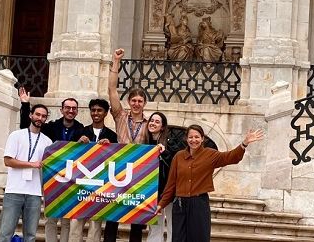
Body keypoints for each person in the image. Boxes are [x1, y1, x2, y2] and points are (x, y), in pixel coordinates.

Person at [156, 124, 265, 242]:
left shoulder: (210, 154)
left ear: (202, 138)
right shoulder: (178, 157)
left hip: (199, 204)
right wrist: (161, 204)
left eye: (197, 137)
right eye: (191, 137)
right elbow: (171, 184)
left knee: (199, 238)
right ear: (186, 139)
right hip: (180, 205)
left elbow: (230, 157)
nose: (194, 140)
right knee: (178, 239)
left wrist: (244, 144)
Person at [19, 88, 89, 242]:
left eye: (74, 109)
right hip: (51, 177)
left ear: (77, 111)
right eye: (67, 108)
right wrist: (25, 104)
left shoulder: (82, 129)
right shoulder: (50, 127)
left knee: (66, 218)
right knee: (51, 216)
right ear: (61, 110)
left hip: (71, 179)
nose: (70, 111)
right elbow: (27, 127)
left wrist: (85, 143)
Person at [105, 48, 149, 242]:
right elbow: (112, 90)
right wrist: (116, 62)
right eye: (133, 100)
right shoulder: (120, 116)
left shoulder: (150, 124)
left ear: (145, 103)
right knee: (113, 215)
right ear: (129, 102)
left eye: (140, 101)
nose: (136, 104)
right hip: (119, 169)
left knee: (137, 218)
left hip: (139, 172)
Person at [0, 104, 53, 242]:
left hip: (34, 193)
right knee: (5, 233)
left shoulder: (47, 141)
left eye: (43, 116)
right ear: (31, 115)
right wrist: (32, 164)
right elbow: (8, 161)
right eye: (38, 114)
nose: (40, 118)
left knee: (31, 235)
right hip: (14, 190)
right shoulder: (16, 135)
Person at [69, 98, 118, 242]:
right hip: (80, 186)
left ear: (106, 113)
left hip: (100, 188)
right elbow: (70, 156)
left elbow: (116, 161)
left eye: (99, 110)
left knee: (95, 227)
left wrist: (111, 147)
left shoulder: (112, 136)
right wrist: (77, 144)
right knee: (75, 224)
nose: (96, 113)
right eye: (93, 110)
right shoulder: (80, 131)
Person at [146, 112, 173, 242]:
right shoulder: (144, 143)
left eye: (157, 122)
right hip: (152, 193)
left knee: (172, 226)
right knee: (154, 227)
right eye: (152, 120)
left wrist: (165, 152)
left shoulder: (170, 142)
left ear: (162, 127)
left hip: (168, 191)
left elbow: (175, 162)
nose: (153, 123)